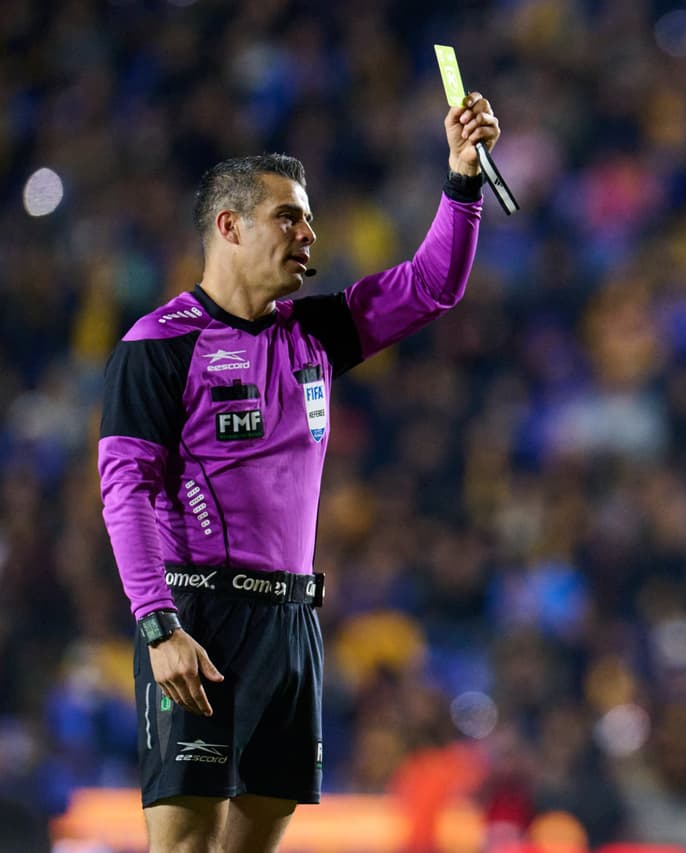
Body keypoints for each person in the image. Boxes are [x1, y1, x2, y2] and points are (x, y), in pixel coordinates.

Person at [97, 93, 500, 852]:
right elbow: (129, 492)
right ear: (230, 226)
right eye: (290, 217)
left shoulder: (314, 334)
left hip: (292, 624)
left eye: (309, 218)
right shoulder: (158, 346)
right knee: (185, 845)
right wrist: (158, 624)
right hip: (199, 618)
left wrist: (461, 178)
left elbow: (431, 286)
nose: (310, 233)